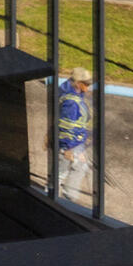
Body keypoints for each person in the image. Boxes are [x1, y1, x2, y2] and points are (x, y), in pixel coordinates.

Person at [52, 66, 94, 201]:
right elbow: (67, 126)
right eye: (86, 84)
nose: (88, 88)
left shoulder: (70, 89)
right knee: (76, 167)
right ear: (78, 83)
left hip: (73, 141)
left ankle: (54, 193)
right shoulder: (71, 102)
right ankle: (69, 198)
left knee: (62, 170)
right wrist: (69, 149)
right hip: (70, 142)